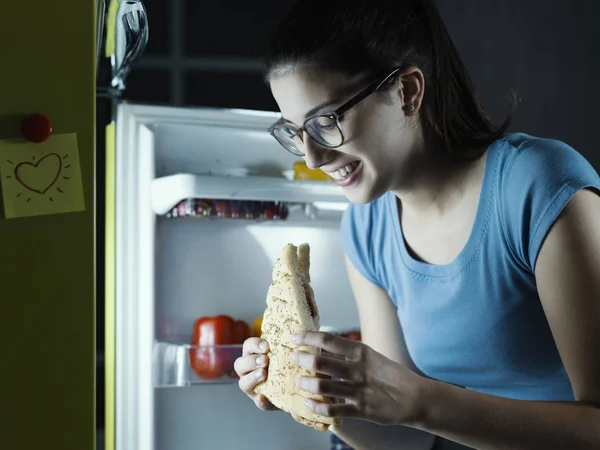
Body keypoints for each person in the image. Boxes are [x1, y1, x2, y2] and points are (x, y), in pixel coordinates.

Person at [234, 0, 600, 448]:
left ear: (407, 90)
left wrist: (418, 400)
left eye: (326, 121)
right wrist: (315, 397)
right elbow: (403, 437)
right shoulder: (366, 228)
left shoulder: (538, 186)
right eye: (294, 131)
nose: (312, 157)